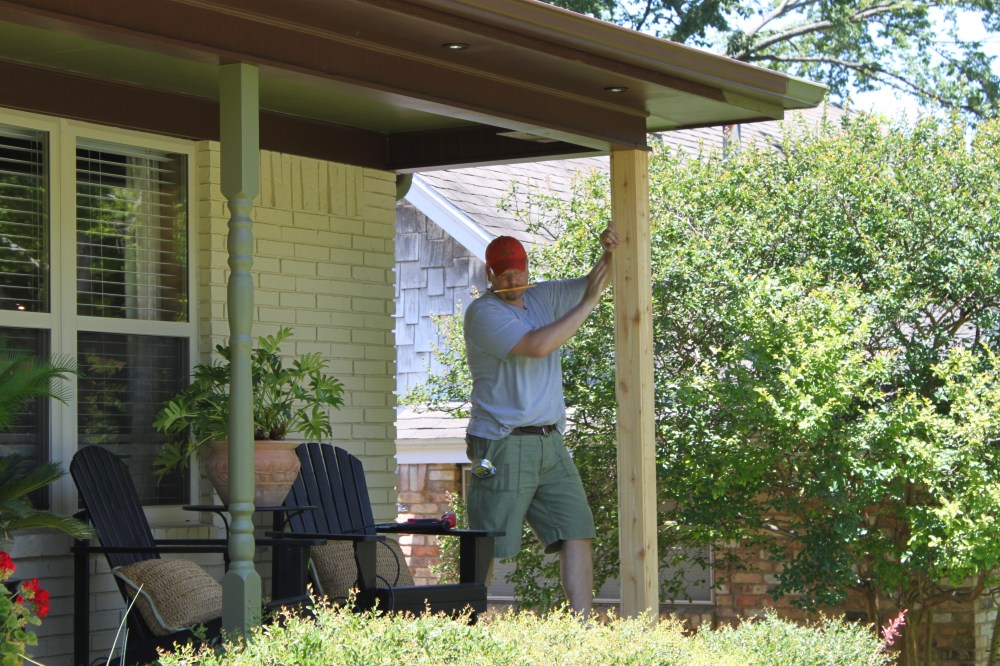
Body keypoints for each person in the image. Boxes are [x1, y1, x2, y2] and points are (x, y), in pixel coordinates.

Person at [463, 228, 619, 617]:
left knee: (577, 530)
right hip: (502, 441)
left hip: (550, 441)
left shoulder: (541, 296)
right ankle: (466, 626)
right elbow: (538, 346)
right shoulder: (484, 312)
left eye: (518, 271)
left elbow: (593, 281)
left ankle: (581, 627)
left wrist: (613, 250)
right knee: (489, 541)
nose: (513, 280)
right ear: (490, 274)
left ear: (526, 269)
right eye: (504, 274)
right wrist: (591, 303)